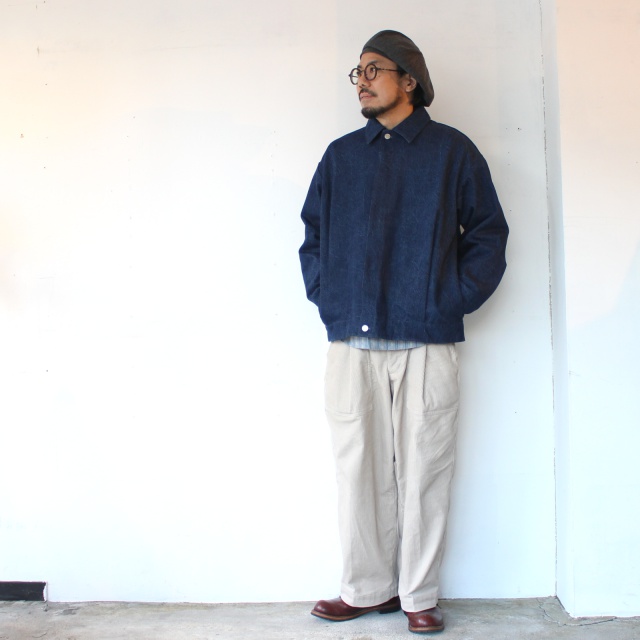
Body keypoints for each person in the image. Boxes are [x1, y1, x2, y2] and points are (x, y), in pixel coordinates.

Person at [299, 30, 508, 634]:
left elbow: (488, 234)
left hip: (425, 338)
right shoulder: (341, 156)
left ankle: (418, 594)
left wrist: (449, 299)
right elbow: (312, 236)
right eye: (358, 72)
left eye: (374, 69)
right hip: (352, 341)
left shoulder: (452, 152)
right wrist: (330, 298)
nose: (362, 81)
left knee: (426, 470)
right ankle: (365, 590)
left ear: (409, 80)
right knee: (356, 471)